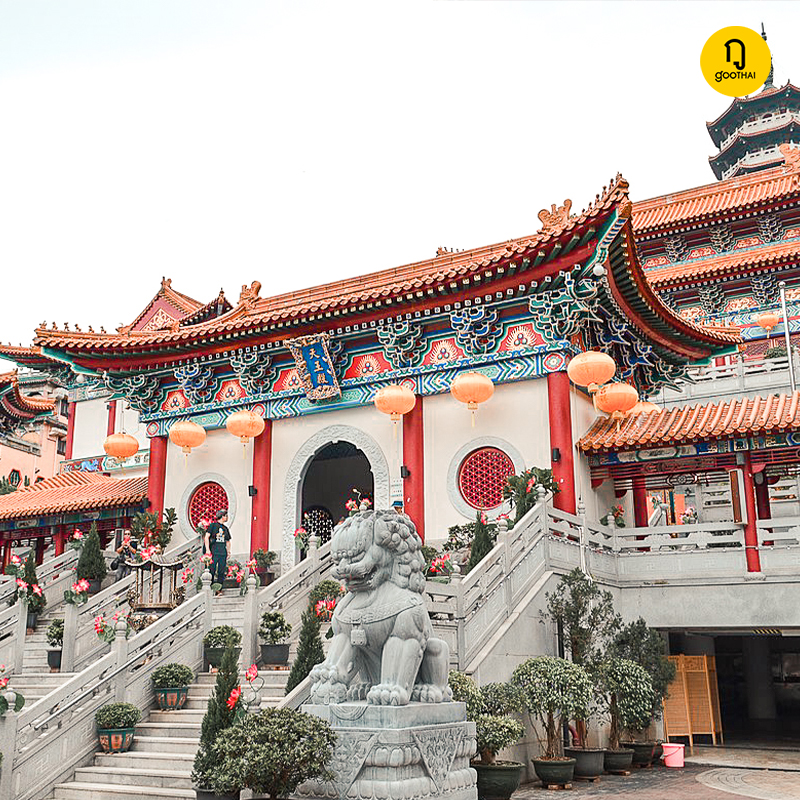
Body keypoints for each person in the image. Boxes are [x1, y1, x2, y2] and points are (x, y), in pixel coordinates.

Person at [204, 509, 231, 591]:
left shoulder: (225, 528)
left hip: (222, 552)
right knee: (211, 570)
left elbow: (228, 541)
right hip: (214, 551)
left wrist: (228, 551)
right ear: (222, 516)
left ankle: (219, 589)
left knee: (221, 571)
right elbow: (206, 537)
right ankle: (210, 588)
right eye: (226, 516)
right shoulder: (213, 525)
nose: (227, 517)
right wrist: (207, 550)